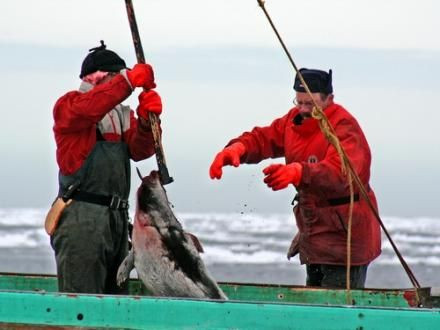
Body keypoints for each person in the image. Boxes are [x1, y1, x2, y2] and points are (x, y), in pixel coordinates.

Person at [209, 68, 381, 288]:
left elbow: (344, 173)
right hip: (314, 232)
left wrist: (299, 172)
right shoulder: (294, 120)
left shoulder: (344, 126)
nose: (302, 109)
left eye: (310, 104)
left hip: (345, 236)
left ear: (329, 99)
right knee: (314, 307)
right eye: (298, 102)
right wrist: (238, 148)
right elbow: (264, 138)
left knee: (336, 314)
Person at [50, 41, 163, 294]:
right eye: (114, 77)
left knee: (115, 306)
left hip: (117, 221)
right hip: (82, 218)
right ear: (98, 78)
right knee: (83, 309)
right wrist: (129, 81)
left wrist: (147, 121)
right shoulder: (70, 106)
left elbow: (140, 150)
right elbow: (91, 106)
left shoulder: (121, 115)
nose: (119, 83)